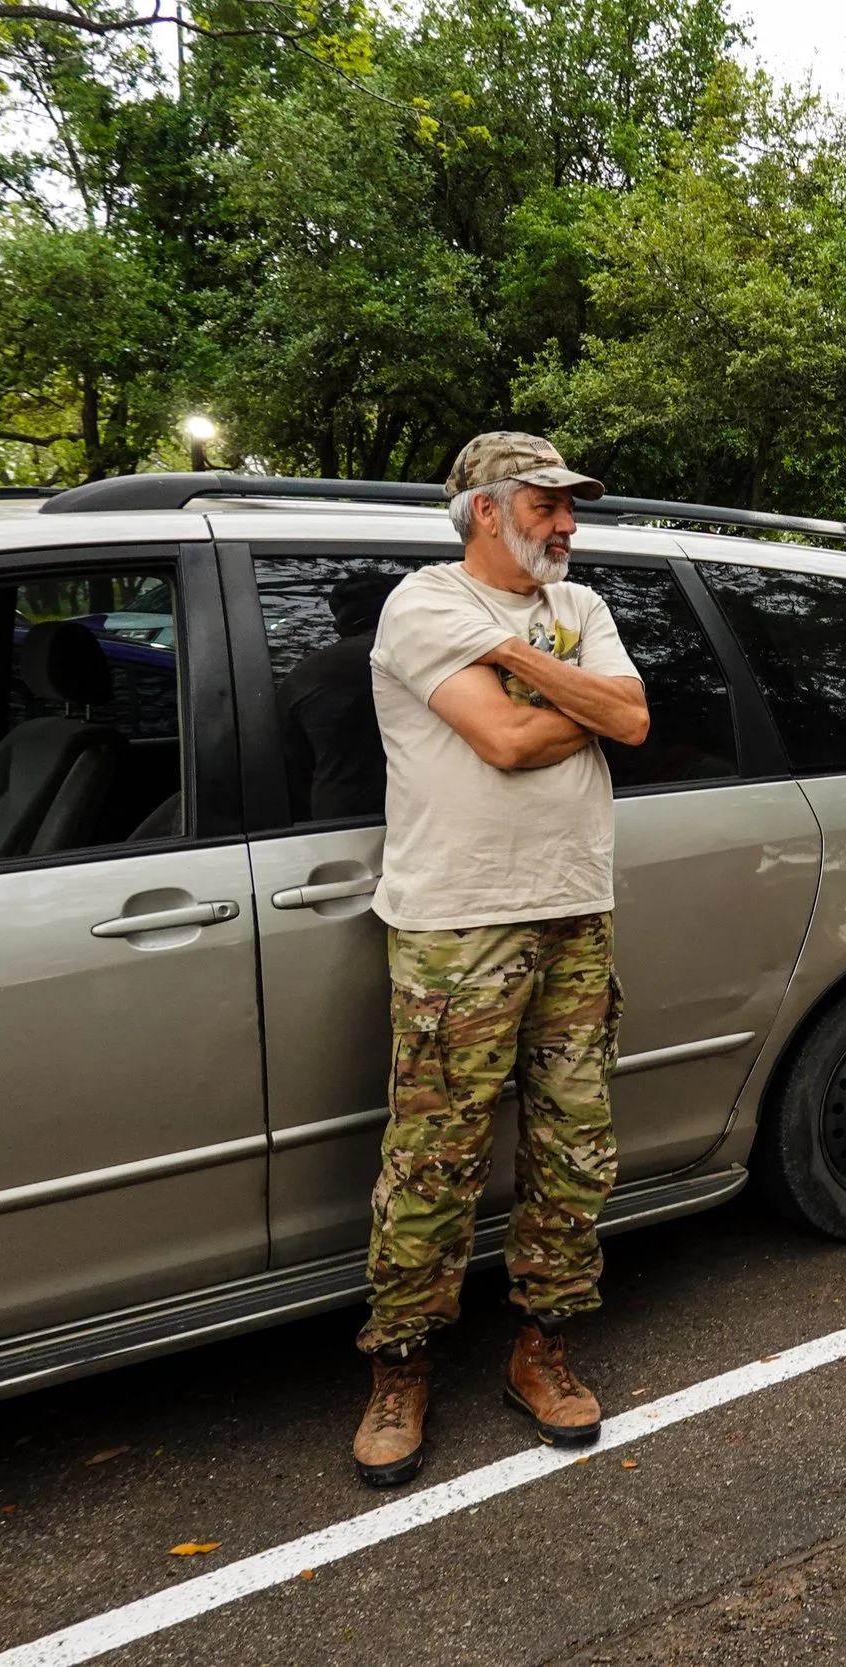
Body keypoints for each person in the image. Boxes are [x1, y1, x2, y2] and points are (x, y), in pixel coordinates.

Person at [350, 431, 651, 1488]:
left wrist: (521, 662)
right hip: (458, 922)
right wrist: (578, 699)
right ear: (485, 509)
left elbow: (634, 717)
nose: (567, 526)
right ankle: (400, 1367)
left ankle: (543, 1347)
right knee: (436, 1156)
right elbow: (508, 743)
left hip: (576, 910)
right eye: (546, 506)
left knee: (575, 1146)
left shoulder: (582, 605)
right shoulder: (425, 602)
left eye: (571, 508)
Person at [278, 571, 397, 821]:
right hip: (424, 812)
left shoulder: (303, 675)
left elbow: (289, 767)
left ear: (338, 628)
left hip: (336, 822)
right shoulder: (434, 657)